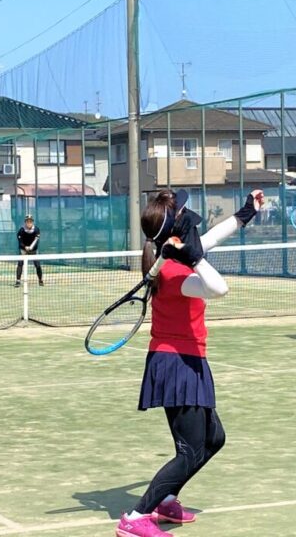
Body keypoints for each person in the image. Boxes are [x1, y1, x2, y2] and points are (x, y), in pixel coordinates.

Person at [115, 188, 264, 537]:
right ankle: (136, 517)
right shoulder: (175, 273)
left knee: (214, 439)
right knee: (190, 451)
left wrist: (246, 213)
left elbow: (209, 237)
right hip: (176, 364)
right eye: (183, 213)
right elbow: (219, 288)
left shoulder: (172, 257)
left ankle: (167, 496)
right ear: (173, 229)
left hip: (188, 361)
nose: (190, 215)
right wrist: (196, 258)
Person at [15, 214, 43, 287]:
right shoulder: (21, 230)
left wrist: (30, 247)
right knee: (20, 264)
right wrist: (25, 247)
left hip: (33, 250)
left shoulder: (36, 230)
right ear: (25, 222)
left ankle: (40, 280)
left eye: (30, 221)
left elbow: (36, 241)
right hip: (23, 250)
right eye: (27, 221)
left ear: (32, 222)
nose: (29, 223)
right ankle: (18, 281)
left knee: (37, 265)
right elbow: (20, 242)